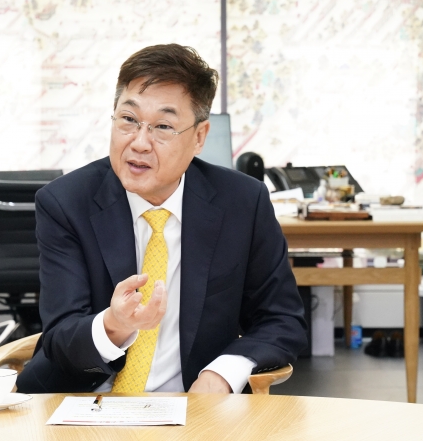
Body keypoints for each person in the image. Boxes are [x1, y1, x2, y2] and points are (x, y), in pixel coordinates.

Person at [16, 44, 307, 394]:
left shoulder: (243, 202)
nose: (139, 142)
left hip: (195, 407)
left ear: (199, 137)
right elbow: (60, 339)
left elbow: (281, 319)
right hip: (83, 401)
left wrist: (222, 374)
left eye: (163, 126)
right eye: (128, 119)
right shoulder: (66, 203)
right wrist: (114, 325)